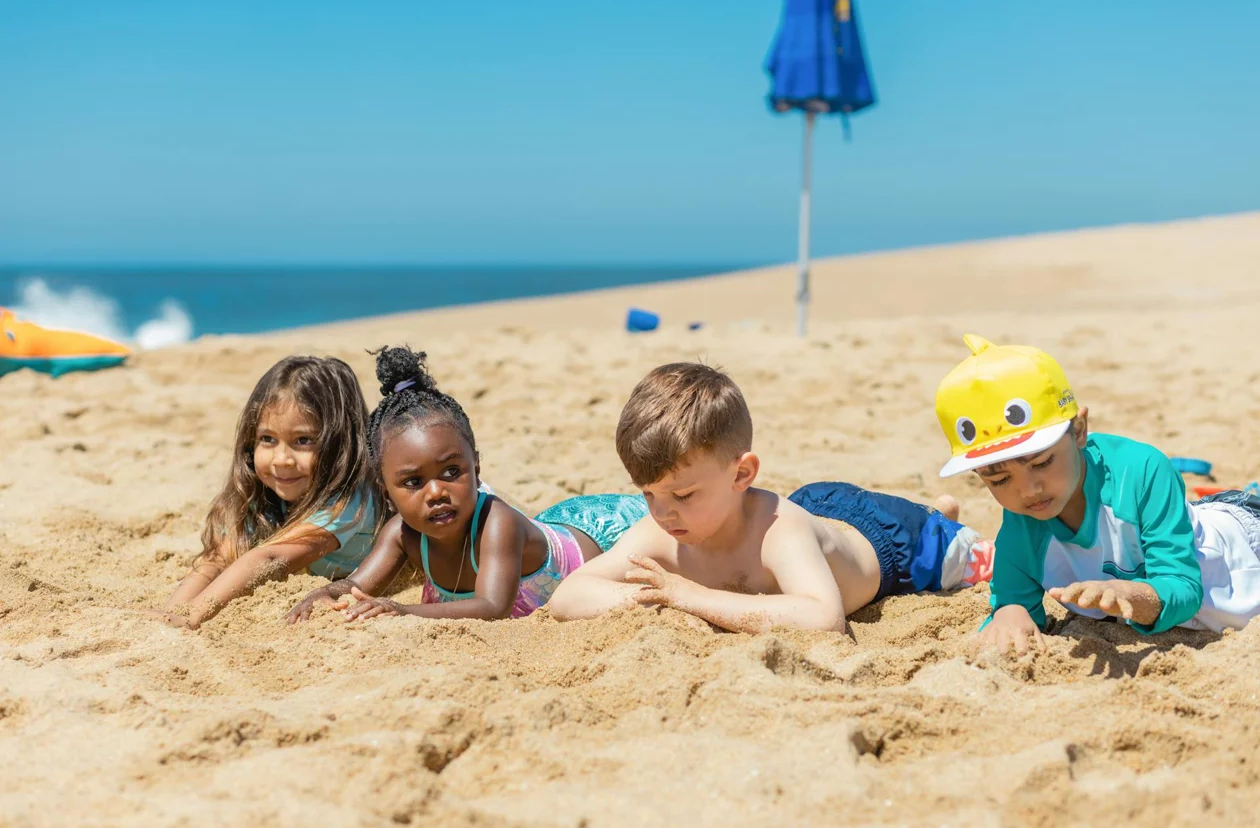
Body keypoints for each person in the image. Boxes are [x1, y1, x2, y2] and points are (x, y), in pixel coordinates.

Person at [548, 362, 993, 633]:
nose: (663, 512)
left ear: (741, 473)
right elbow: (569, 596)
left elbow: (823, 619)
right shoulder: (659, 529)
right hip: (814, 513)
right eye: (647, 495)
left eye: (682, 494)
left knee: (968, 558)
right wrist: (657, 602)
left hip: (891, 542)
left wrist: (689, 598)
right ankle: (938, 509)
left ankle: (940, 519)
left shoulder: (781, 533)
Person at [934, 333, 1260, 654]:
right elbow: (1012, 601)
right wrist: (1010, 613)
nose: (1028, 490)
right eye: (1000, 479)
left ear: (1078, 430)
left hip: (1243, 544)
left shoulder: (1142, 471)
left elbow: (1185, 589)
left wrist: (1134, 597)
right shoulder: (1022, 525)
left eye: (1043, 462)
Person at [286, 346, 648, 623]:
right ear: (385, 491)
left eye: (451, 472)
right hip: (554, 523)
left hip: (605, 533)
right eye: (413, 481)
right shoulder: (402, 534)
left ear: (476, 465)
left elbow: (492, 606)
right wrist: (326, 593)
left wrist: (401, 610)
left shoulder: (496, 522)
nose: (436, 492)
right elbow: (356, 586)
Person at [155, 355, 380, 628]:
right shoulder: (264, 495)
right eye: (268, 439)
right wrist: (171, 613)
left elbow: (272, 557)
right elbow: (216, 561)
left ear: (340, 445)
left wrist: (192, 617)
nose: (282, 459)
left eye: (303, 440)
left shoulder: (349, 500)